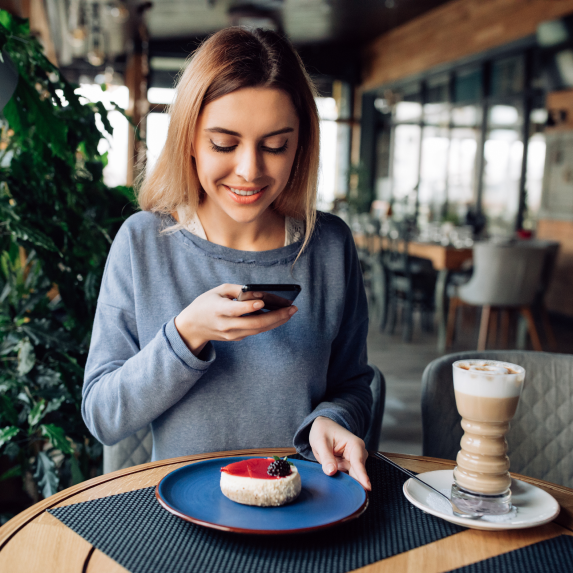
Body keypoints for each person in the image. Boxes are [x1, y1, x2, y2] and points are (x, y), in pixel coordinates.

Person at [82, 27, 374, 490]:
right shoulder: (143, 242)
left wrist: (333, 418)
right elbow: (102, 414)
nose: (250, 170)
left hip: (305, 505)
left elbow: (355, 384)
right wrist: (187, 333)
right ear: (190, 141)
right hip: (182, 517)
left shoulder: (330, 246)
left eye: (276, 145)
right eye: (224, 144)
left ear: (300, 145)